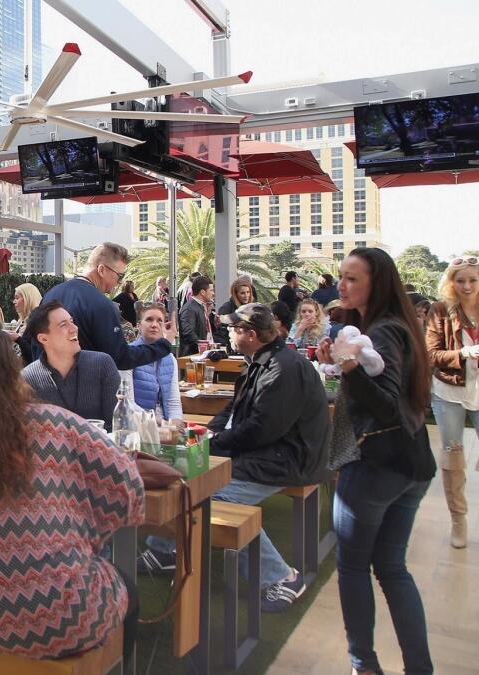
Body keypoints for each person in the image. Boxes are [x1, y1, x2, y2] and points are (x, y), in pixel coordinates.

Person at [0, 321, 144, 663]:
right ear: (13, 370)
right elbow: (129, 490)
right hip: (63, 613)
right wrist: (80, 527)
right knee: (125, 587)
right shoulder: (57, 425)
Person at [144, 303, 329, 613]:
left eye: (232, 328)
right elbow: (233, 410)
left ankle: (281, 577)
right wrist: (210, 436)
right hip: (266, 453)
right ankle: (164, 550)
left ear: (251, 334)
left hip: (285, 461)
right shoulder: (259, 361)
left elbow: (262, 430)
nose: (227, 332)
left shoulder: (283, 368)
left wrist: (215, 444)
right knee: (188, 474)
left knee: (214, 498)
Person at [316, 247, 435, 675]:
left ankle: (362, 664)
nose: (342, 285)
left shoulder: (383, 332)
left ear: (376, 283)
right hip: (411, 462)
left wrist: (348, 370)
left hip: (376, 465)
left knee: (353, 568)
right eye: (341, 276)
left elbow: (384, 405)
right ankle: (419, 668)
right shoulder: (390, 327)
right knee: (391, 567)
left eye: (352, 278)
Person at [40, 243, 173, 369]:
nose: (120, 282)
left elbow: (33, 344)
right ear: (102, 270)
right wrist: (164, 344)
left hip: (46, 385)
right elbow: (120, 357)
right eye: (119, 275)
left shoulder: (50, 294)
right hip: (84, 387)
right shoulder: (101, 304)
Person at [425, 255, 479, 549]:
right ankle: (458, 520)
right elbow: (431, 354)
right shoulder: (440, 310)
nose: (467, 286)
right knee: (452, 458)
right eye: (461, 281)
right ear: (451, 283)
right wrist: (464, 355)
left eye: (473, 279)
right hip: (450, 390)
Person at [22, 300, 120, 431]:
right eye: (63, 325)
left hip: (101, 449)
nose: (74, 328)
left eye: (72, 321)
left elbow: (116, 425)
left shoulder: (102, 364)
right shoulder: (28, 379)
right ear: (43, 339)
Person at [126, 303, 183, 422]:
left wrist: (176, 423)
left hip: (165, 423)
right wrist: (157, 422)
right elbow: (127, 403)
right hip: (138, 424)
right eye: (149, 320)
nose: (154, 325)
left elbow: (174, 402)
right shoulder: (128, 355)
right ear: (139, 325)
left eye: (159, 321)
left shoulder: (170, 358)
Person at [178, 275, 214, 356]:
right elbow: (188, 333)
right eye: (211, 290)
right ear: (202, 292)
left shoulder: (201, 306)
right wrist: (204, 347)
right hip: (192, 357)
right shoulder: (189, 308)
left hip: (200, 355)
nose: (213, 293)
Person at [215, 277, 256, 346]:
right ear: (236, 294)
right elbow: (221, 333)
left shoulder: (252, 307)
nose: (246, 295)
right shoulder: (226, 308)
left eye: (248, 292)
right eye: (242, 293)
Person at [12, 282, 41, 366]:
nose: (14, 301)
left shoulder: (37, 322)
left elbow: (34, 353)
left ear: (28, 298)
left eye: (17, 298)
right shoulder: (21, 321)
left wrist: (17, 339)